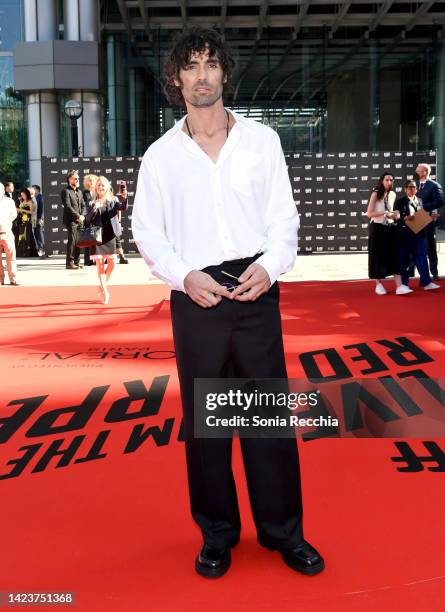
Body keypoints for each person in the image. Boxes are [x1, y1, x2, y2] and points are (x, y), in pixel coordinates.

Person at [132, 27, 324, 579]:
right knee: (207, 428)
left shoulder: (262, 142)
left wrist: (269, 267)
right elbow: (148, 232)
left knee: (267, 422)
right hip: (196, 298)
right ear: (176, 79)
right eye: (189, 67)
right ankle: (217, 535)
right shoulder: (160, 157)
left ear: (224, 73)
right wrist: (184, 275)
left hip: (256, 289)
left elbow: (284, 222)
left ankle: (284, 532)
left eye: (210, 65)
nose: (201, 76)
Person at [86, 175, 128, 304]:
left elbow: (123, 208)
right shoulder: (91, 202)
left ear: (107, 187)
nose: (100, 187)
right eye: (98, 185)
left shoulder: (113, 200)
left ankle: (101, 285)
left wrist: (125, 197)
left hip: (110, 236)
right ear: (96, 188)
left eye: (103, 185)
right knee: (99, 265)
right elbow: (87, 220)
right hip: (97, 237)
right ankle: (105, 292)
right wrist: (94, 209)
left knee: (112, 264)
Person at [394, 180, 440, 292]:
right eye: (409, 187)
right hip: (405, 234)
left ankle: (426, 282)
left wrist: (432, 217)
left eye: (414, 187)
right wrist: (404, 219)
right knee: (404, 259)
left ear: (417, 189)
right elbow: (395, 218)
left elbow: (421, 217)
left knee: (422, 258)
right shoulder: (400, 201)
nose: (412, 189)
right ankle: (403, 285)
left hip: (420, 234)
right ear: (405, 189)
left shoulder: (419, 200)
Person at [367, 172, 407, 295]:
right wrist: (384, 213)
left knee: (394, 256)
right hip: (377, 228)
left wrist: (396, 214)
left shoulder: (393, 194)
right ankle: (378, 284)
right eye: (387, 180)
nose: (389, 182)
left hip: (390, 227)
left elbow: (390, 212)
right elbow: (369, 213)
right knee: (377, 256)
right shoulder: (375, 194)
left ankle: (399, 286)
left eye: (391, 180)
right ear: (382, 181)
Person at [416, 163, 444, 280]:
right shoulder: (415, 185)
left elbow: (440, 202)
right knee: (414, 245)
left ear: (424, 172)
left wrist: (424, 207)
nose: (416, 171)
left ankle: (434, 273)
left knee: (430, 247)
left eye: (418, 170)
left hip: (427, 218)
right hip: (416, 218)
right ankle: (413, 273)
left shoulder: (434, 185)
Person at [61, 170, 85, 270]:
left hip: (80, 220)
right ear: (69, 180)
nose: (77, 180)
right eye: (75, 178)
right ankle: (69, 263)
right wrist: (78, 216)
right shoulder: (65, 191)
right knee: (72, 241)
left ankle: (77, 261)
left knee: (79, 241)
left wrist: (82, 216)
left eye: (78, 178)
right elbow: (67, 206)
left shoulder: (79, 191)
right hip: (71, 220)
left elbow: (83, 205)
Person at [0, 182, 19, 285]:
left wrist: (5, 221)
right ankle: (1, 279)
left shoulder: (9, 201)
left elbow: (14, 214)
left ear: (3, 191)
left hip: (7, 231)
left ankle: (13, 278)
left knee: (11, 256)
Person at [15, 188, 38, 258]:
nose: (22, 196)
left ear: (27, 195)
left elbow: (32, 212)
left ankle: (28, 252)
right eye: (21, 195)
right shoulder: (22, 201)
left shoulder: (30, 202)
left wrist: (22, 210)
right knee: (22, 236)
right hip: (22, 220)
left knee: (27, 236)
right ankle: (21, 252)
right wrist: (18, 211)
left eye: (23, 195)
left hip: (28, 220)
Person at [82, 174, 98, 266]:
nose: (91, 182)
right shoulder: (85, 193)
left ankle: (97, 259)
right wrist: (85, 217)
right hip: (88, 218)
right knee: (88, 240)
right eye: (90, 180)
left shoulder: (98, 192)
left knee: (97, 239)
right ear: (86, 182)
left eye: (93, 180)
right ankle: (88, 260)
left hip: (97, 218)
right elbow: (83, 206)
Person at [32, 184, 45, 257]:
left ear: (37, 190)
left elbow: (42, 209)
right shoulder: (33, 197)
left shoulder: (41, 197)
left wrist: (40, 218)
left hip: (39, 218)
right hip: (34, 218)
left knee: (40, 233)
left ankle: (42, 248)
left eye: (33, 189)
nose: (32, 190)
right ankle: (38, 248)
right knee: (36, 233)